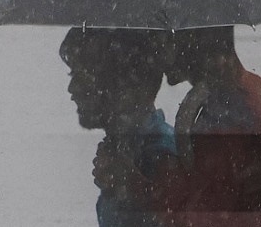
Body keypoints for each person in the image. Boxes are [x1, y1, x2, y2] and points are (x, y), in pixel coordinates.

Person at [154, 28, 261, 227]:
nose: (162, 50)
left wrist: (136, 182)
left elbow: (209, 205)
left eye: (170, 39)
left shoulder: (225, 123)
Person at [61, 28, 176, 227]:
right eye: (73, 74)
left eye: (84, 75)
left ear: (124, 86)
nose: (72, 88)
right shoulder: (126, 149)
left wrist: (130, 187)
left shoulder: (160, 156)